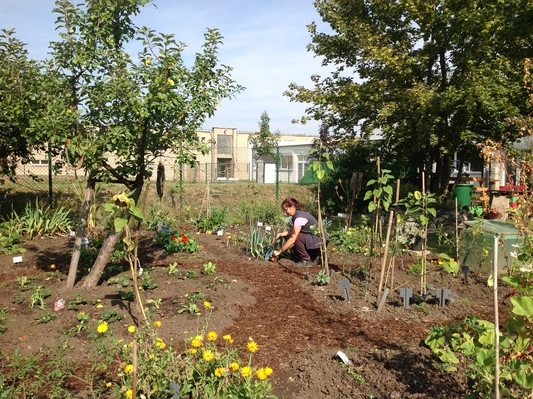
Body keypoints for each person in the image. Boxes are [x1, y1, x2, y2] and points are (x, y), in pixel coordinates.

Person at [272, 197, 325, 267]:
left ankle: (306, 260)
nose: (285, 212)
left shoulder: (299, 218)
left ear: (292, 207)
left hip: (319, 241)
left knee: (296, 238)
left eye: (286, 210)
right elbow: (293, 230)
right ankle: (314, 255)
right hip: (317, 239)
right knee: (294, 250)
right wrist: (280, 234)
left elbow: (293, 238)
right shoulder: (299, 214)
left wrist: (279, 251)